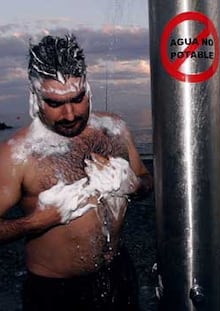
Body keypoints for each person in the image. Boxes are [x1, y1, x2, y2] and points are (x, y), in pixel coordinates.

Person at [0, 34, 153, 310]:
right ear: (35, 97)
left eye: (78, 98)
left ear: (88, 88)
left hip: (118, 273)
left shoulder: (114, 129)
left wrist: (133, 184)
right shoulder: (17, 154)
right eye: (55, 104)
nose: (70, 114)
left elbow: (147, 181)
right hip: (56, 292)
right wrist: (39, 221)